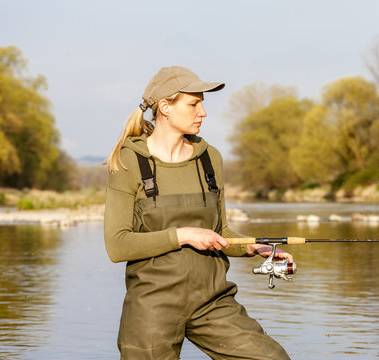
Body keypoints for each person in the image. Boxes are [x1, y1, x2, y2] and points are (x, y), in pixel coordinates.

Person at [104, 66, 292, 360]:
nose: (203, 112)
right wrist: (182, 236)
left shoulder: (209, 157)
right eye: (194, 104)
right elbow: (117, 245)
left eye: (202, 103)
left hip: (212, 302)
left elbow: (222, 231)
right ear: (165, 107)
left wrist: (253, 246)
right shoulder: (128, 161)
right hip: (152, 307)